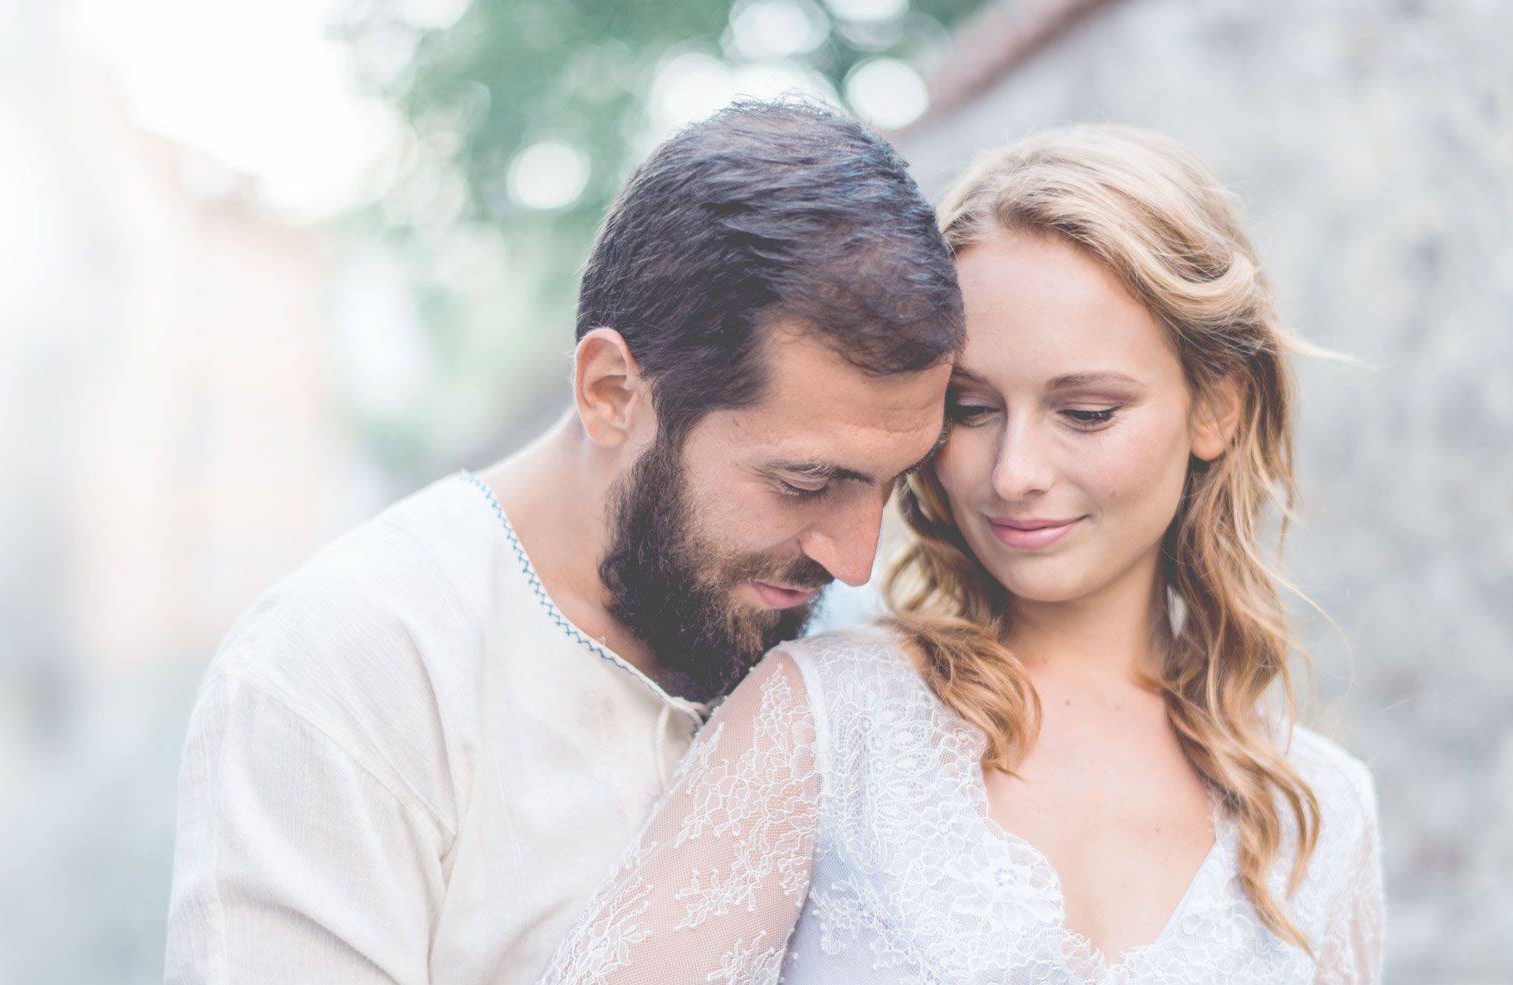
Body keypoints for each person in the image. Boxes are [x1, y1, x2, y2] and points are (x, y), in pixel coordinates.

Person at [541, 125, 1384, 984]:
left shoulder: (1323, 813)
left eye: (1086, 411)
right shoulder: (831, 723)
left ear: (1218, 408)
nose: (1014, 475)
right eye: (973, 410)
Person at [162, 100, 965, 985]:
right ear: (612, 390)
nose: (854, 558)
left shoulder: (866, 651)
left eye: (892, 485)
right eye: (804, 484)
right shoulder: (347, 667)